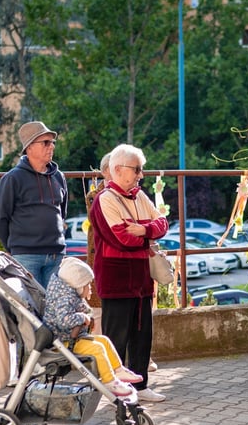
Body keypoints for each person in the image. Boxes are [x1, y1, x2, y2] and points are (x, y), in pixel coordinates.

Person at [90, 143, 169, 402]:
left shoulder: (139, 196)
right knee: (116, 338)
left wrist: (143, 230)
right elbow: (122, 238)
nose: (140, 175)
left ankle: (140, 385)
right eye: (136, 169)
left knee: (142, 334)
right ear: (118, 169)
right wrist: (148, 233)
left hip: (141, 279)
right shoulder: (104, 199)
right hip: (116, 279)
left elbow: (163, 223)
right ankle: (114, 389)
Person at [43, 257, 144, 396]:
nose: (90, 288)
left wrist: (87, 314)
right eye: (88, 285)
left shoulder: (69, 293)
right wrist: (83, 317)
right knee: (98, 348)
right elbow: (64, 320)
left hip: (71, 337)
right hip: (63, 341)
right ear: (79, 285)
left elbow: (81, 309)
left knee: (104, 340)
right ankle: (109, 381)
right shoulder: (64, 298)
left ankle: (118, 370)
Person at [0, 121, 67, 287]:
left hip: (56, 255)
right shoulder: (12, 178)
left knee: (54, 303)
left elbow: (62, 213)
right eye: (45, 142)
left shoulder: (59, 177)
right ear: (29, 147)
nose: (51, 146)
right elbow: (0, 220)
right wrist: (15, 250)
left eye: (52, 142)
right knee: (30, 304)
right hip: (26, 256)